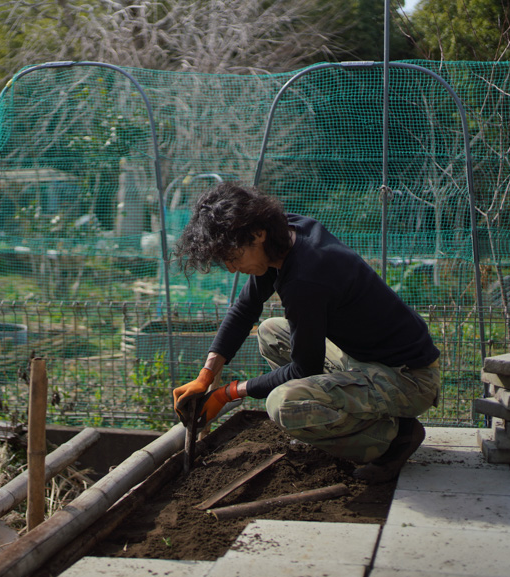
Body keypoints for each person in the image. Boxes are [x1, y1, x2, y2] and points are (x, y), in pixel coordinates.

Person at [172, 182, 440, 483]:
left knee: (284, 405)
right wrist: (207, 375)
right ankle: (343, 419)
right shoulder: (285, 235)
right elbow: (245, 309)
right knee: (272, 332)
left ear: (257, 234)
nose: (232, 269)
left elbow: (304, 368)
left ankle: (392, 438)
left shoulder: (306, 278)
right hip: (365, 360)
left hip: (409, 380)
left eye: (233, 257)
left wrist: (229, 392)